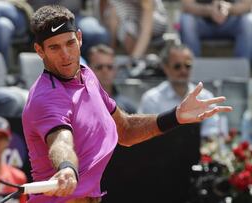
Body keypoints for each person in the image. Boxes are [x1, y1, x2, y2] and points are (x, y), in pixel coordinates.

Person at [22, 5, 232, 202]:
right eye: (54, 48)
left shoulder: (87, 76)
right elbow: (61, 141)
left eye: (69, 43)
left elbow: (126, 130)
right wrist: (66, 167)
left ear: (79, 38)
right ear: (39, 51)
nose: (66, 54)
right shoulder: (45, 98)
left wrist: (175, 116)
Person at [138, 43, 220, 138]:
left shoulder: (206, 97)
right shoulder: (152, 99)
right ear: (165, 67)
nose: (183, 70)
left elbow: (212, 132)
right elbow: (144, 134)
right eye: (177, 66)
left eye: (187, 65)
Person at [180, 0, 252, 62]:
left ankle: (241, 71)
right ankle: (192, 69)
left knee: (248, 21)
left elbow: (247, 5)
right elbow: (186, 6)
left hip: (231, 24)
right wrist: (210, 10)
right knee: (186, 19)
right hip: (201, 24)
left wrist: (229, 9)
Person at [98, 0, 167, 59]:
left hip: (153, 20)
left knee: (129, 30)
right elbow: (103, 6)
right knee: (113, 12)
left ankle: (135, 64)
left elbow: (146, 30)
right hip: (127, 17)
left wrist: (135, 58)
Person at [87, 44, 136, 114]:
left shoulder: (128, 108)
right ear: (88, 69)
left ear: (115, 70)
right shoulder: (79, 103)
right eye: (99, 67)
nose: (105, 71)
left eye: (110, 67)